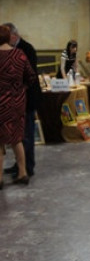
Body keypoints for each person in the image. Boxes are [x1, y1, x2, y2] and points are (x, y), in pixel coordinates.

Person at [2, 23, 41, 178]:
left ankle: (28, 167)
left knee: (26, 135)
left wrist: (18, 88)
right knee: (16, 137)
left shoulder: (27, 49)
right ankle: (19, 166)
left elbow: (31, 76)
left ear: (14, 35)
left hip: (27, 99)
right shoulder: (16, 51)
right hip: (17, 99)